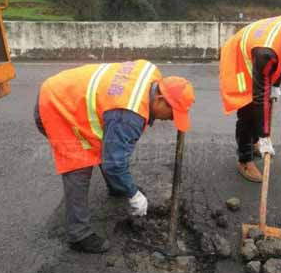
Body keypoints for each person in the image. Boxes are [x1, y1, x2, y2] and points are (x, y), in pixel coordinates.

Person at [34, 60, 195, 253]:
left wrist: (124, 187)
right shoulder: (128, 115)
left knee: (110, 144)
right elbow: (114, 163)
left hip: (71, 92)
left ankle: (117, 187)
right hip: (58, 106)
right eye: (172, 113)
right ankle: (78, 234)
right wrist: (133, 194)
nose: (170, 119)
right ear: (160, 99)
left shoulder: (150, 72)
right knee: (79, 165)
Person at [219, 12, 281, 182]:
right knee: (248, 110)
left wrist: (276, 85)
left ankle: (255, 141)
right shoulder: (266, 52)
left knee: (263, 104)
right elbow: (260, 97)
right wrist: (265, 135)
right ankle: (244, 159)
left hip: (257, 54)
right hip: (238, 58)